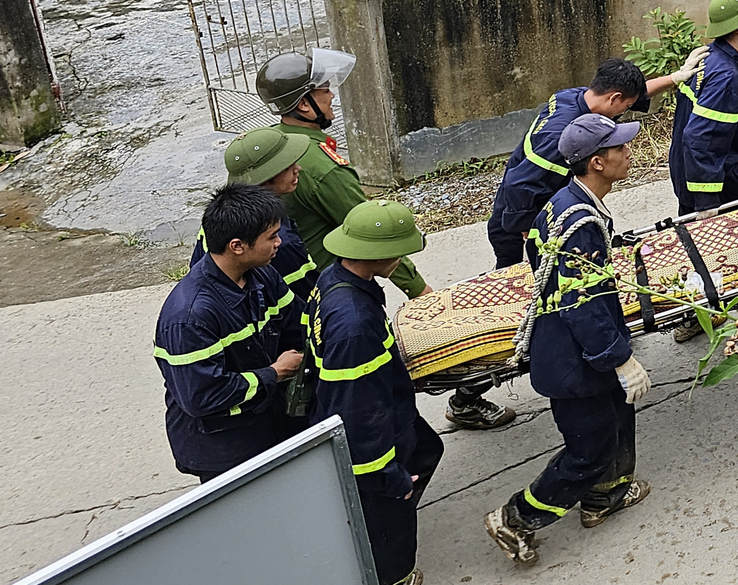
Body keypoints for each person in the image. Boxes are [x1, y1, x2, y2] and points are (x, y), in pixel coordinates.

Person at [256, 51, 519, 431]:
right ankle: (461, 404)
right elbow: (373, 233)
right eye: (324, 90)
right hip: (337, 285)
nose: (333, 96)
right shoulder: (321, 165)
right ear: (304, 105)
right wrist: (420, 290)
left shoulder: (277, 146)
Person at [485, 114, 653, 565]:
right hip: (575, 361)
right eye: (620, 147)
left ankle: (605, 498)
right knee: (589, 450)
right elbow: (583, 303)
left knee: (619, 417)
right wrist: (620, 359)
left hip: (576, 348)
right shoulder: (579, 223)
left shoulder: (566, 202)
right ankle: (516, 517)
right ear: (597, 162)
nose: (628, 152)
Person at [309, 200, 442, 585]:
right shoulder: (355, 324)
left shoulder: (333, 279)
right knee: (390, 508)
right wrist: (386, 474)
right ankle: (391, 580)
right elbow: (360, 411)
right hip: (377, 435)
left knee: (427, 450)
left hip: (388, 406)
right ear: (378, 254)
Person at [483, 54, 703, 271]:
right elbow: (517, 186)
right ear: (614, 98)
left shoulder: (576, 97)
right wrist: (530, 237)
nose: (625, 111)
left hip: (544, 207)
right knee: (516, 287)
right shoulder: (558, 139)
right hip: (515, 221)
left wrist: (675, 78)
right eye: (625, 107)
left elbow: (633, 95)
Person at [154, 183, 306, 482]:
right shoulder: (190, 317)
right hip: (223, 448)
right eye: (271, 237)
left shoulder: (262, 274)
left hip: (265, 426)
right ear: (237, 245)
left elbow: (297, 322)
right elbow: (203, 397)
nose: (279, 243)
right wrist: (274, 373)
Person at [189, 127, 318, 301]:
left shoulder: (223, 212)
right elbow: (307, 295)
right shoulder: (280, 242)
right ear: (266, 176)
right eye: (287, 165)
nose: (297, 168)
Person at [670, 0, 738, 217]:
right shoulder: (725, 75)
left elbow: (709, 112)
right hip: (716, 178)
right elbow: (699, 136)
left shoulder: (708, 56)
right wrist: (706, 203)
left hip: (688, 172)